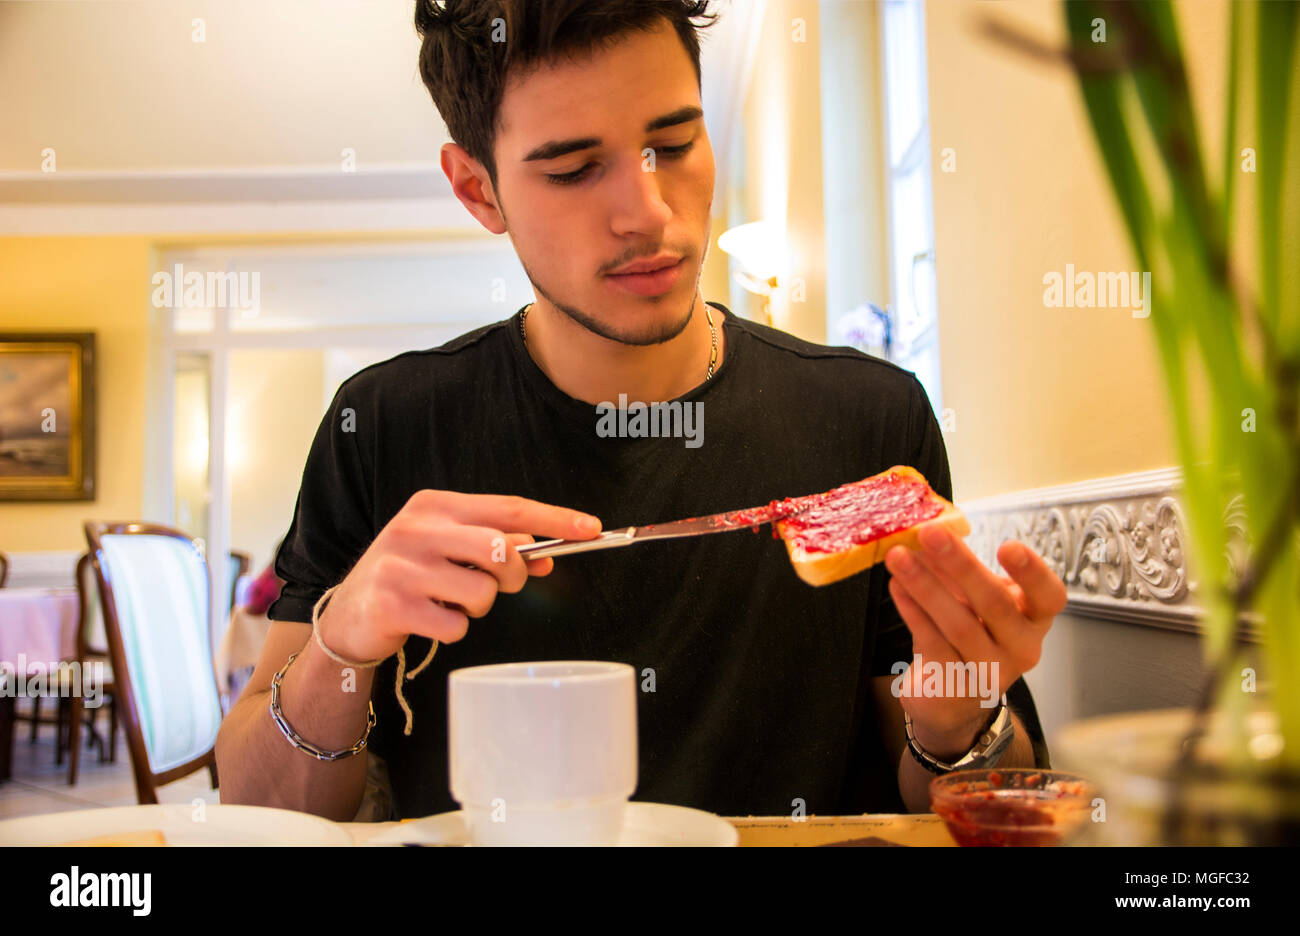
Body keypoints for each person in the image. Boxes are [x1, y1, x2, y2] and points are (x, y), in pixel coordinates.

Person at [215, 0, 1067, 823]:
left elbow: (980, 805)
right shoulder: (382, 426)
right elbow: (258, 807)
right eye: (574, 169)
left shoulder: (871, 420)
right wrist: (345, 638)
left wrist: (958, 719)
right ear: (478, 190)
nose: (649, 213)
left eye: (674, 142)